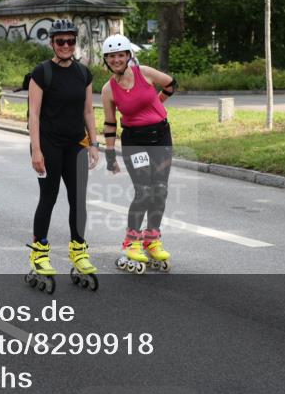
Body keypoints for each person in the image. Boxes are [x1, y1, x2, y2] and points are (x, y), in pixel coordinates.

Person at [26, 19, 101, 292]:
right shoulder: (42, 72)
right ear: (52, 44)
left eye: (70, 41)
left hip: (76, 144)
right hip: (48, 144)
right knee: (49, 197)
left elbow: (89, 111)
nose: (66, 46)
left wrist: (94, 143)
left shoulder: (83, 73)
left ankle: (79, 251)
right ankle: (39, 254)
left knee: (78, 199)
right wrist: (36, 150)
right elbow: (33, 114)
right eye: (61, 42)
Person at [100, 34, 177, 273]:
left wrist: (157, 102)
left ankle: (152, 239)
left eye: (120, 55)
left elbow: (171, 84)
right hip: (134, 141)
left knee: (160, 190)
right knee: (144, 190)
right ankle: (131, 241)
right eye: (111, 56)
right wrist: (110, 155)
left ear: (128, 56)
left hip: (160, 137)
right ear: (106, 60)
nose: (116, 60)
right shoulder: (108, 90)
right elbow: (110, 124)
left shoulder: (144, 72)